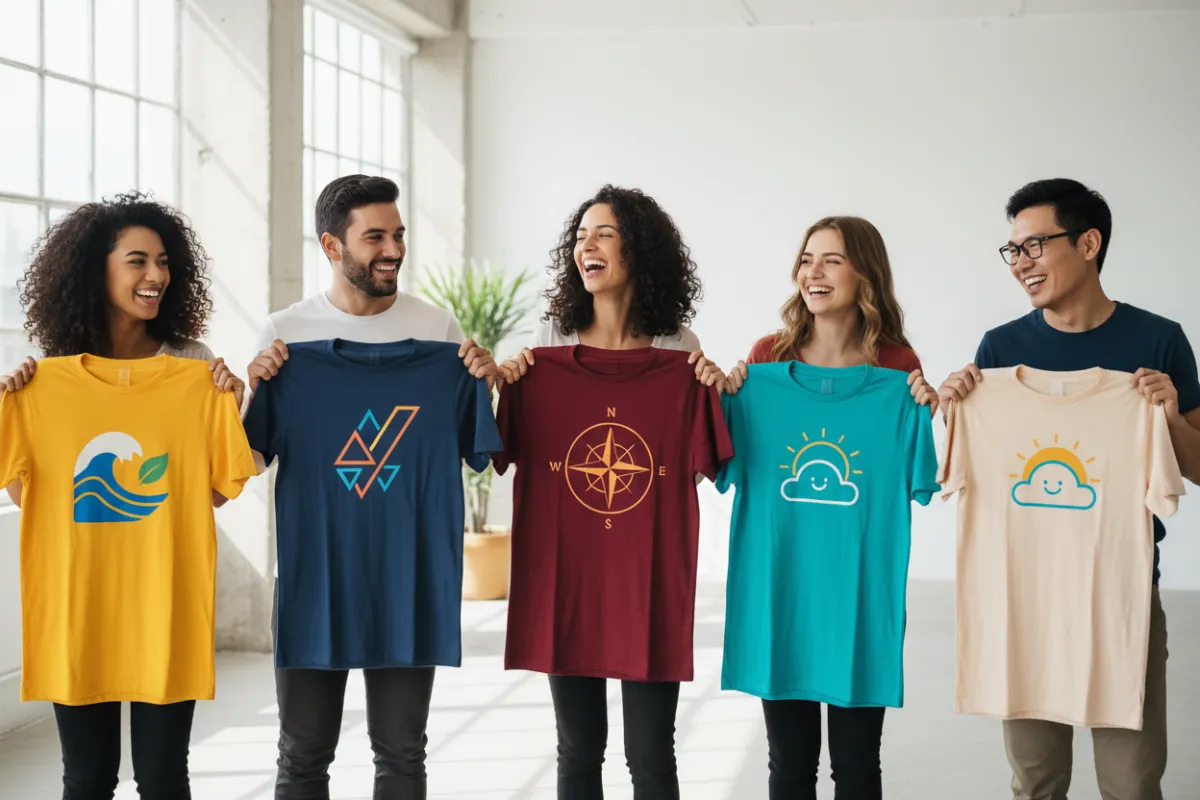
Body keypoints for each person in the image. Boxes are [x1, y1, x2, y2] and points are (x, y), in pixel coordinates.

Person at [936, 178, 1200, 800]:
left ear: (1088, 243)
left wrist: (1166, 418)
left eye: (1034, 245)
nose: (1020, 263)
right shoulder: (999, 351)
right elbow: (948, 470)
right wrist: (951, 412)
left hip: (1122, 594)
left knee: (1131, 784)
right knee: (1035, 783)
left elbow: (1196, 465)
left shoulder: (1159, 339)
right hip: (1020, 599)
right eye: (1012, 251)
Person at [245, 174, 494, 800]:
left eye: (399, 234)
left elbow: (478, 453)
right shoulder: (286, 335)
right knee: (301, 757)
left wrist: (482, 383)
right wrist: (254, 386)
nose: (393, 249)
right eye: (375, 236)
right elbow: (247, 461)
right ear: (332, 247)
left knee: (403, 754)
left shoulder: (438, 331)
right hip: (314, 578)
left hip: (408, 578)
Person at [0, 191, 247, 798]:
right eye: (138, 261)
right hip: (77, 612)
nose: (156, 275)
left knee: (164, 778)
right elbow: (26, 494)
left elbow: (209, 495)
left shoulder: (195, 368)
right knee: (86, 780)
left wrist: (230, 408)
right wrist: (11, 406)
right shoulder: (45, 378)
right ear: (97, 270)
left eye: (163, 261)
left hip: (166, 610)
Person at [497, 184, 725, 799]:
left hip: (645, 583)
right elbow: (501, 447)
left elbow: (704, 464)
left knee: (651, 753)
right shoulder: (547, 346)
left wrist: (715, 390)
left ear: (640, 249)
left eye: (605, 234)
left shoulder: (681, 351)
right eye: (580, 237)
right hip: (566, 578)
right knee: (577, 751)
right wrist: (507, 382)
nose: (586, 247)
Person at [724, 216, 935, 799]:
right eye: (807, 259)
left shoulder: (896, 366)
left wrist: (927, 406)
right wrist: (730, 396)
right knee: (789, 767)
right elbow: (723, 459)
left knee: (858, 768)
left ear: (864, 271)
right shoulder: (767, 359)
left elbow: (920, 473)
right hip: (782, 597)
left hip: (859, 603)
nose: (812, 273)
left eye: (832, 260)